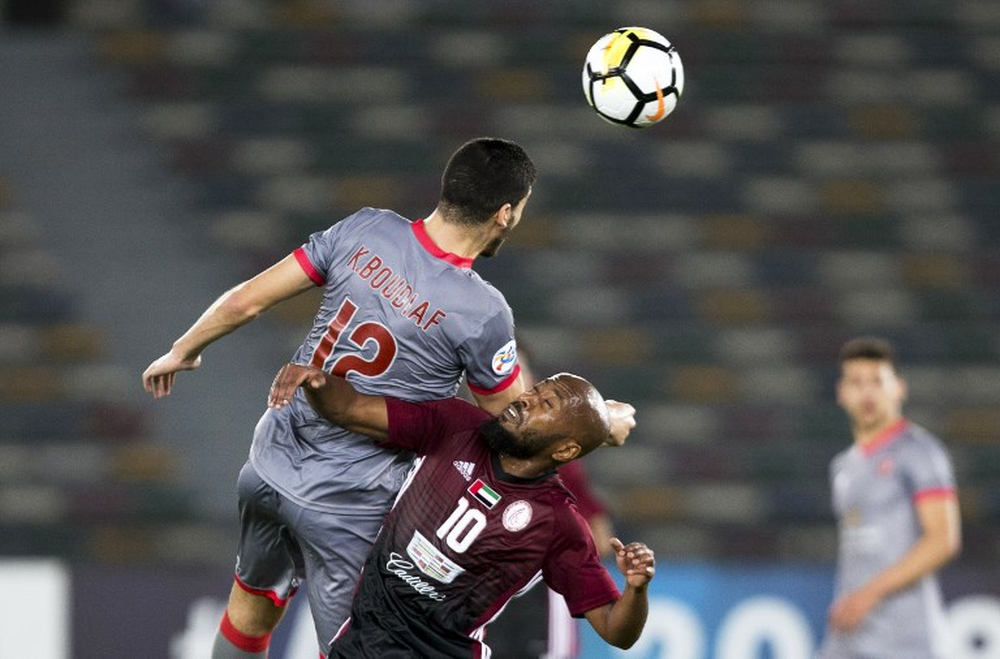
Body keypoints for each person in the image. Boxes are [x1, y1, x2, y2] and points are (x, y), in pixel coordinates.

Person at [142, 137, 539, 657]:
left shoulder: (366, 227)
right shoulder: (482, 311)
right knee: (355, 648)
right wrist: (600, 422)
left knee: (250, 610)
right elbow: (520, 423)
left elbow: (246, 301)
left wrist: (183, 349)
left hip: (268, 466)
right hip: (351, 506)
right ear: (505, 214)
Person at [267, 362, 652, 658]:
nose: (526, 399)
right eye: (535, 391)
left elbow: (616, 630)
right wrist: (318, 383)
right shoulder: (457, 425)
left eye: (544, 404)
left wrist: (635, 589)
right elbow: (352, 408)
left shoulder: (557, 522)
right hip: (362, 642)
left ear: (565, 451)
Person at [818, 337, 961, 659]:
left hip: (905, 640)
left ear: (899, 388)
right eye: (856, 382)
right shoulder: (843, 466)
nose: (867, 393)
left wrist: (869, 594)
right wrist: (850, 599)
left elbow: (943, 539)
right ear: (842, 393)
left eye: (877, 381)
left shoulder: (918, 452)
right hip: (851, 634)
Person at [486, 343, 615, 658]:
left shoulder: (554, 458)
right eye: (499, 370)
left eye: (517, 370)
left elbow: (600, 539)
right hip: (471, 601)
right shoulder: (460, 436)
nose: (509, 381)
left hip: (534, 603)